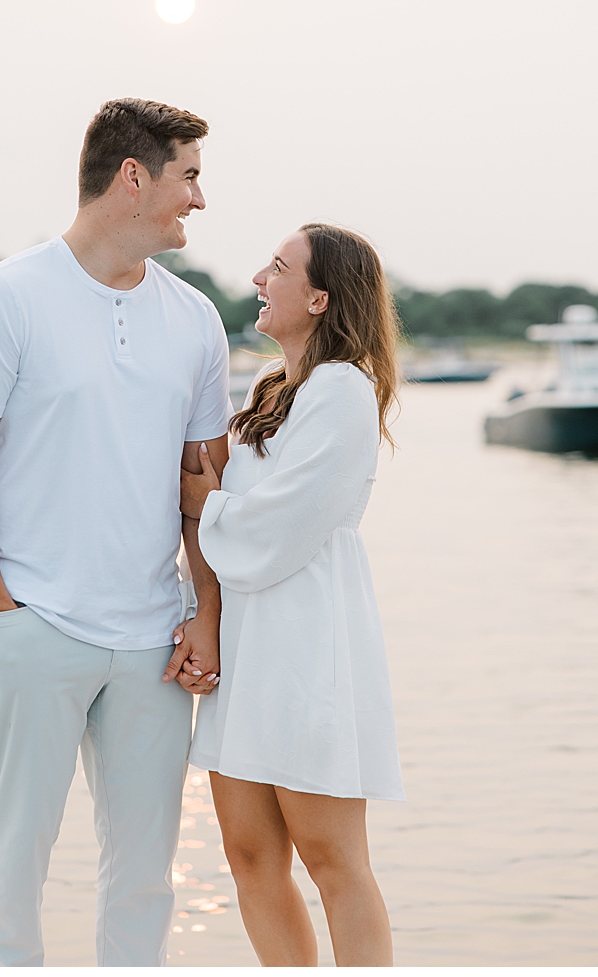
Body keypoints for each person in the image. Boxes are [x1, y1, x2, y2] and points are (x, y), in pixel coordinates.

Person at [0, 97, 235, 966]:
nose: (200, 200)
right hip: (34, 626)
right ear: (132, 177)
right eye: (190, 177)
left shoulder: (196, 320)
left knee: (144, 877)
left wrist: (203, 608)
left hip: (153, 640)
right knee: (10, 867)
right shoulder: (6, 299)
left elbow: (201, 487)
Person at [180, 222, 403, 966]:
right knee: (248, 856)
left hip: (307, 648)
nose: (258, 278)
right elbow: (243, 519)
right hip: (248, 648)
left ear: (318, 296)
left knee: (333, 860)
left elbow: (282, 527)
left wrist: (206, 501)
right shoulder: (275, 389)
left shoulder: (343, 391)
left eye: (277, 267)